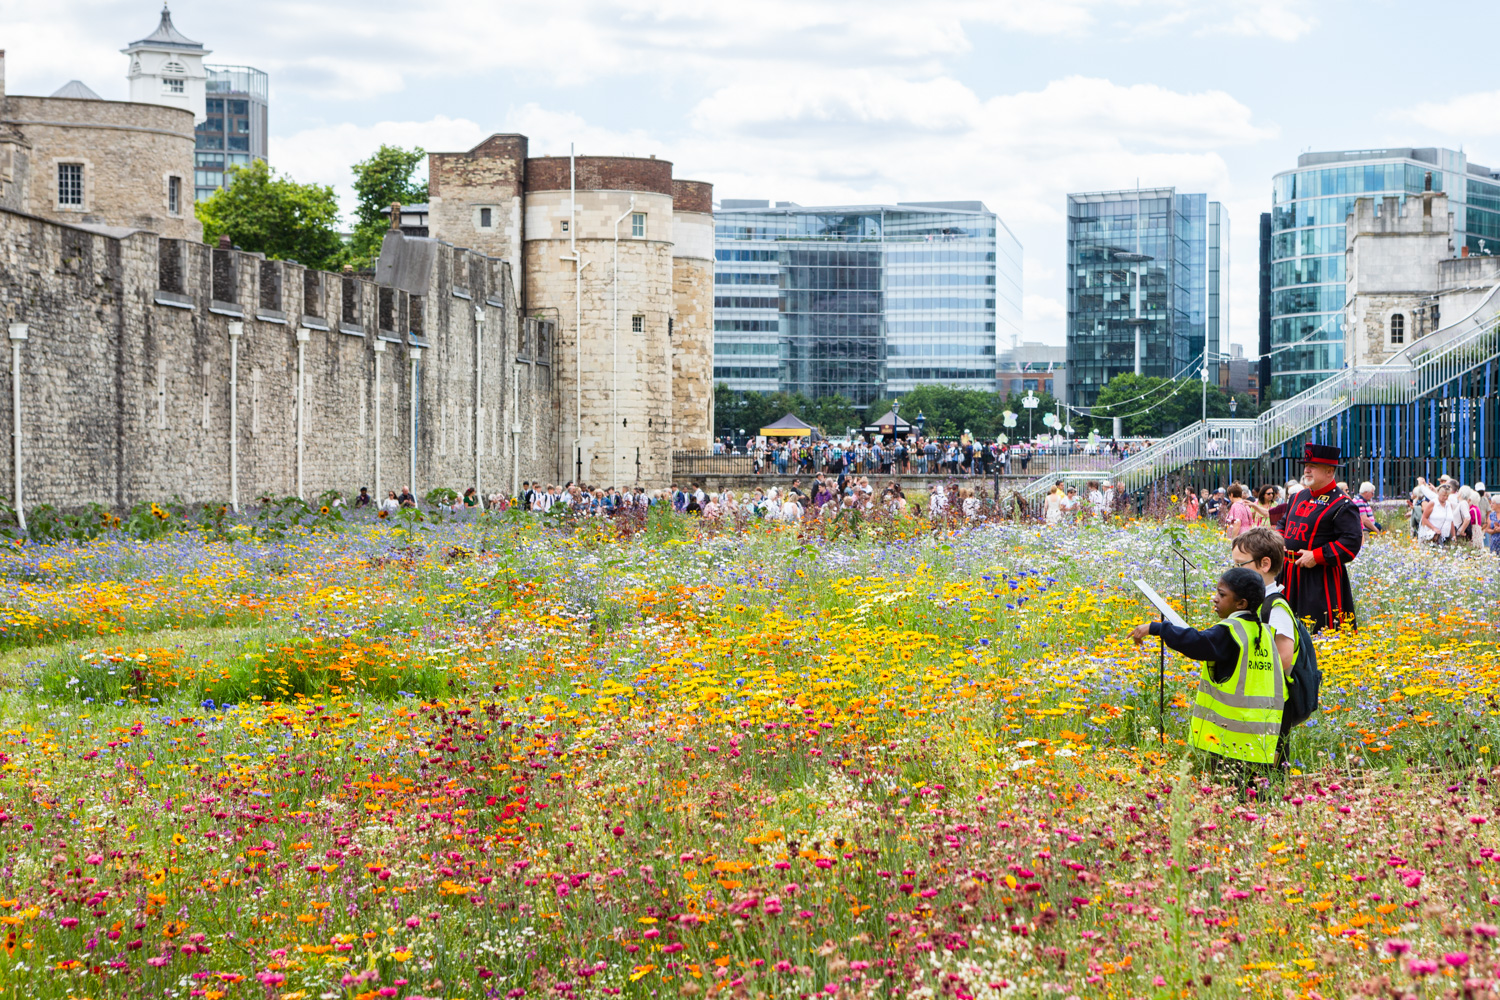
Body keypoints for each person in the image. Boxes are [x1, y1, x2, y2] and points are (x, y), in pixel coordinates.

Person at [1129, 567, 1281, 782]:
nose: (1215, 598)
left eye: (1222, 594)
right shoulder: (1264, 632)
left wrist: (1157, 628)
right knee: (1254, 798)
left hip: (1231, 740)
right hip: (1262, 737)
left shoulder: (1231, 631)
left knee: (1231, 798)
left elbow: (1197, 643)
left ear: (1241, 604)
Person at [1231, 526, 1299, 767]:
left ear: (1265, 564)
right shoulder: (1258, 603)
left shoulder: (1275, 608)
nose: (1234, 572)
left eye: (1241, 565)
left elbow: (1283, 659)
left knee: (1268, 772)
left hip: (1272, 706)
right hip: (1258, 703)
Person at [1278, 444, 1362, 632]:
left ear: (1329, 471)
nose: (1307, 469)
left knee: (1318, 630)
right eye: (1306, 465)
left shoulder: (1342, 504)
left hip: (1319, 579)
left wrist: (1316, 556)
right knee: (1284, 631)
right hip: (1288, 575)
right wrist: (1277, 541)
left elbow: (1351, 542)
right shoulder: (1298, 496)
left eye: (1313, 466)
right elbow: (1283, 524)